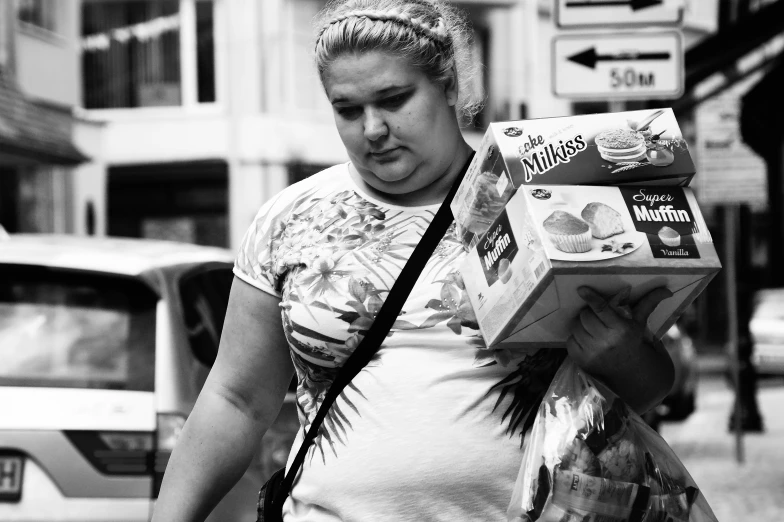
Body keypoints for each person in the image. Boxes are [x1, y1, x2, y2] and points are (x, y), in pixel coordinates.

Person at [152, 1, 675, 520]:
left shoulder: (544, 206)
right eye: (348, 109)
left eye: (394, 99)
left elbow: (648, 389)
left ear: (449, 85)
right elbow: (236, 400)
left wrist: (623, 354)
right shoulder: (289, 218)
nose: (373, 128)